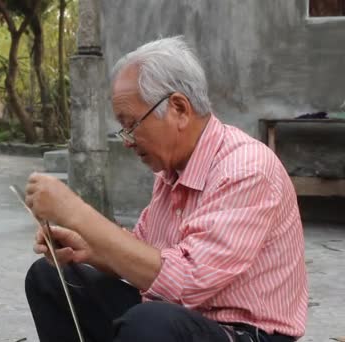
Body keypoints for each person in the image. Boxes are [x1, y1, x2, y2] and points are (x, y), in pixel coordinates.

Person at [23, 36, 307, 342]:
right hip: (183, 317)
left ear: (179, 108)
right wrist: (88, 248)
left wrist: (76, 212)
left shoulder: (246, 169)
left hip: (246, 333)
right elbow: (145, 252)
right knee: (50, 278)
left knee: (150, 322)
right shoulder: (172, 171)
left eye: (131, 124)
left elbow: (186, 282)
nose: (127, 140)